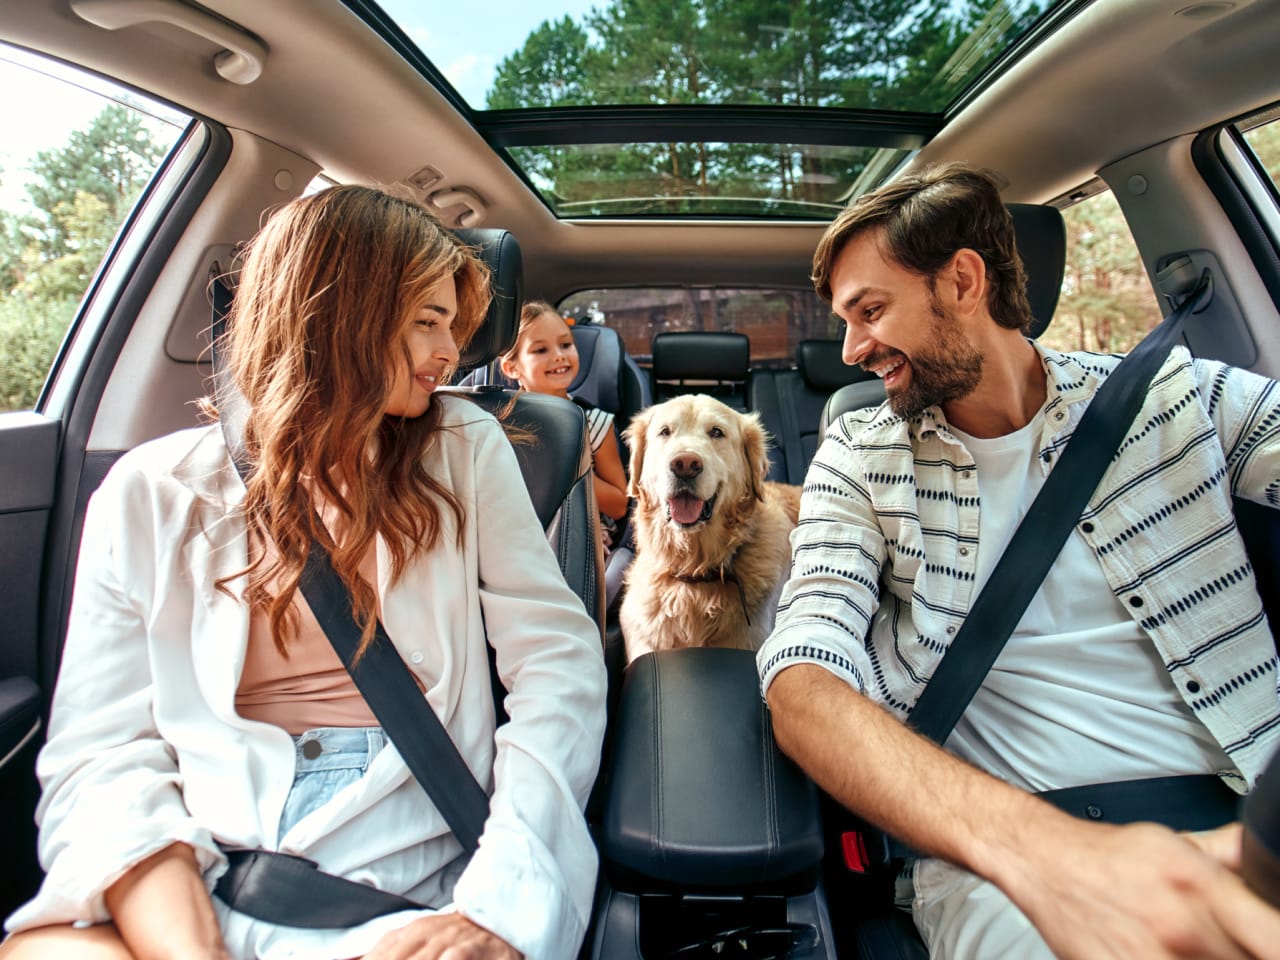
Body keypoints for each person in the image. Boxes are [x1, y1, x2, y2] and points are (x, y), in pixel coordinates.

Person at [0, 185, 607, 960]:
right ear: (336, 312)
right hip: (203, 862)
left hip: (405, 874)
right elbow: (102, 754)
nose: (450, 354)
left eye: (453, 327)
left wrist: (499, 905)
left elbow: (557, 665)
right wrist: (189, 945)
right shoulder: (148, 491)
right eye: (427, 321)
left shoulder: (463, 447)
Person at [757, 162, 1280, 959]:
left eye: (871, 311)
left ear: (963, 282)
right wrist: (1051, 858)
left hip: (1249, 817)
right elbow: (803, 680)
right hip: (1004, 857)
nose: (852, 348)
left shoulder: (1179, 397)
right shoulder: (858, 455)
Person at [499, 301, 630, 551]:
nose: (559, 355)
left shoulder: (594, 424)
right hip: (514, 535)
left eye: (566, 345)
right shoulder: (499, 425)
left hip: (579, 537)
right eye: (541, 350)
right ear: (512, 367)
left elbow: (619, 506)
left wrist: (565, 468)